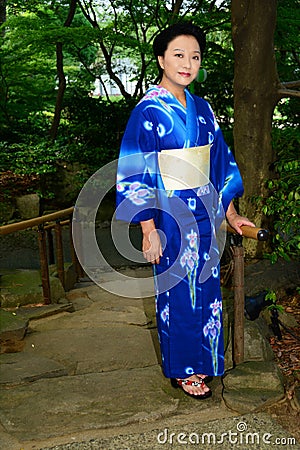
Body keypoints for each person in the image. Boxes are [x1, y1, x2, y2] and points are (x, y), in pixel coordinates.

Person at [116, 22, 254, 399]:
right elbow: (135, 169)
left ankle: (207, 362)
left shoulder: (204, 109)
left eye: (194, 56)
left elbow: (221, 163)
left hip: (207, 216)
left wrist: (232, 213)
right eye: (178, 55)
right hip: (170, 218)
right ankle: (183, 369)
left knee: (207, 291)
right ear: (161, 58)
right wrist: (148, 229)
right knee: (178, 293)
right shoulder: (147, 111)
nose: (187, 63)